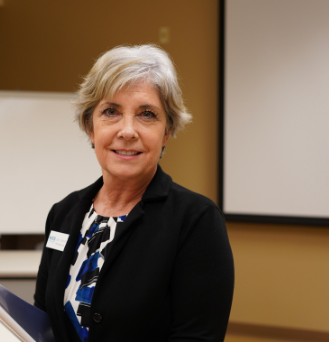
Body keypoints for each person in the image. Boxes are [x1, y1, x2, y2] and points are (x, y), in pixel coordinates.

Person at [34, 44, 234, 342]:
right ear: (91, 126)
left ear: (167, 131)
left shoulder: (197, 221)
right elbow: (43, 318)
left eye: (147, 114)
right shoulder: (63, 212)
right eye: (111, 112)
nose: (127, 131)